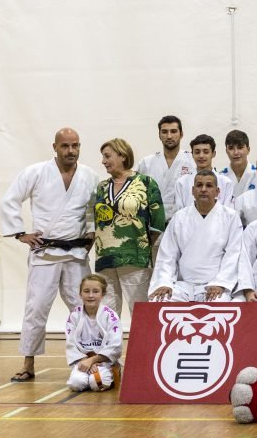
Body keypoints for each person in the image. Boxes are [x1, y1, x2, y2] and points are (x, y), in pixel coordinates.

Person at [1, 127, 97, 382]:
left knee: (83, 307)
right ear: (54, 147)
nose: (71, 151)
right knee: (37, 307)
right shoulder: (36, 172)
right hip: (45, 252)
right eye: (65, 146)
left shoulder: (89, 175)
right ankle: (28, 361)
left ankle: (89, 356)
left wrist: (91, 232)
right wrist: (20, 233)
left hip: (76, 252)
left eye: (75, 146)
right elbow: (9, 200)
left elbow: (92, 209)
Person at [92, 137, 165, 316]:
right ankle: (111, 346)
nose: (103, 161)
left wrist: (141, 245)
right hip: (105, 259)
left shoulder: (146, 183)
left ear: (122, 156)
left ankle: (145, 345)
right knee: (107, 314)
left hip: (134, 259)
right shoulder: (101, 187)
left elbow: (158, 222)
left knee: (140, 313)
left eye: (107, 156)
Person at [149, 171, 243, 302]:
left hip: (214, 285)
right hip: (183, 285)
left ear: (217, 191)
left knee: (219, 303)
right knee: (158, 300)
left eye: (209, 186)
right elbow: (167, 255)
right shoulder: (179, 217)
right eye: (199, 185)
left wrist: (221, 283)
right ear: (193, 191)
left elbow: (233, 254)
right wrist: (164, 282)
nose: (203, 189)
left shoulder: (230, 217)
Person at [64, 274, 123, 392]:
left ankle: (114, 370)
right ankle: (86, 374)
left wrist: (93, 360)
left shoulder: (110, 316)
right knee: (75, 384)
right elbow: (71, 344)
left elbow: (115, 345)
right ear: (80, 294)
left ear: (103, 294)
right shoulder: (74, 316)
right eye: (86, 291)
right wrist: (84, 361)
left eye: (95, 291)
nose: (91, 295)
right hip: (82, 360)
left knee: (97, 384)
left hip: (103, 361)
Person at [135, 115, 196, 222]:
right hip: (152, 224)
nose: (169, 136)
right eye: (164, 132)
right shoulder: (146, 163)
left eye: (173, 131)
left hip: (183, 222)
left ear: (181, 134)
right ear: (159, 135)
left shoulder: (193, 161)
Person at [174, 134, 235, 211]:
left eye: (206, 152)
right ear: (192, 154)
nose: (201, 156)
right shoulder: (181, 183)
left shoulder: (226, 183)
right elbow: (179, 214)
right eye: (197, 152)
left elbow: (228, 214)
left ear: (213, 154)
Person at [221, 129, 257, 196]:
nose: (236, 153)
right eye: (231, 148)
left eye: (240, 147)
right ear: (226, 151)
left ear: (248, 150)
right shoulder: (220, 177)